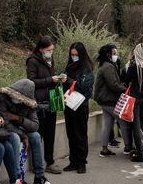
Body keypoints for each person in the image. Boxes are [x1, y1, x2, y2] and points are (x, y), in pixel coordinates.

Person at [0, 79, 54, 184]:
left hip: (20, 128)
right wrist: (22, 135)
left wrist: (18, 118)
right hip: (4, 130)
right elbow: (5, 123)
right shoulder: (1, 99)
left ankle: (39, 177)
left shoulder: (29, 103)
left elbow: (35, 125)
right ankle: (17, 178)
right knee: (15, 138)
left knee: (35, 136)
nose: (18, 101)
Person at [26, 36, 64, 174]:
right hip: (39, 104)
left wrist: (58, 79)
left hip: (51, 102)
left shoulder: (50, 60)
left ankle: (50, 162)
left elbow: (50, 79)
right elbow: (31, 81)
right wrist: (49, 80)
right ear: (41, 49)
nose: (50, 52)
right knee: (38, 136)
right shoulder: (32, 61)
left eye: (52, 50)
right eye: (48, 50)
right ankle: (37, 165)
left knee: (50, 135)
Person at [94, 44, 131, 157]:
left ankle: (104, 149)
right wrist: (126, 89)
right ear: (108, 54)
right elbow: (113, 84)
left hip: (104, 100)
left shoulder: (104, 65)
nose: (116, 55)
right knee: (123, 122)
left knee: (108, 124)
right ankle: (128, 147)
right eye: (114, 53)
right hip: (109, 100)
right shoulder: (109, 67)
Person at [62, 42, 94, 174]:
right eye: (72, 54)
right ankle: (73, 161)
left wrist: (68, 80)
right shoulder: (69, 66)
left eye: (76, 55)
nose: (74, 57)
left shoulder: (87, 68)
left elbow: (84, 86)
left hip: (81, 106)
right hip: (69, 105)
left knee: (80, 134)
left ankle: (82, 162)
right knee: (71, 134)